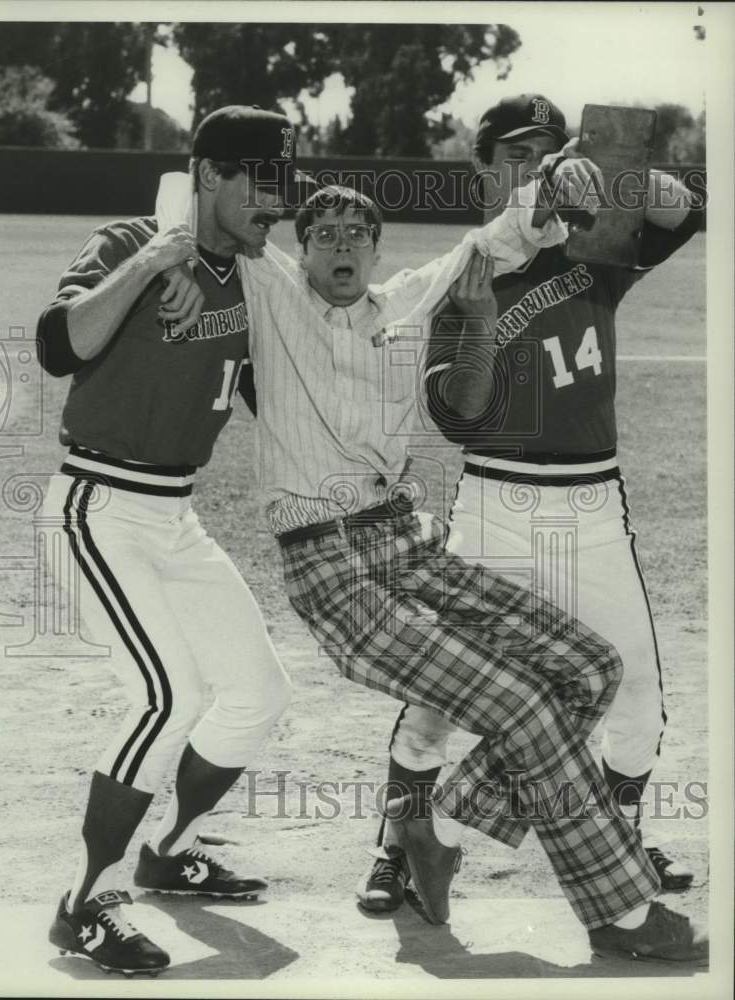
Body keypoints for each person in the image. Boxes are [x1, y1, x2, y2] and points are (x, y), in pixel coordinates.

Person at [153, 162, 706, 961]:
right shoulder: (267, 292)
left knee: (589, 667)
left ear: (377, 250)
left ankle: (432, 827)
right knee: (522, 705)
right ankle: (621, 914)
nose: (341, 247)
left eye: (356, 235)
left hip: (403, 542)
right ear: (299, 250)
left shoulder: (410, 299)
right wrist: (171, 256)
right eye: (324, 236)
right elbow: (185, 197)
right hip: (330, 569)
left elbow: (494, 239)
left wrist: (550, 187)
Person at [361, 94, 703, 915]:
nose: (535, 167)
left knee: (638, 697)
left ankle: (614, 844)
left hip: (592, 506)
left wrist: (625, 177)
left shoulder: (598, 246)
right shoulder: (462, 272)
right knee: (440, 695)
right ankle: (397, 848)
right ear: (484, 167)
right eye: (517, 153)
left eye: (547, 152)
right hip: (494, 508)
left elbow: (687, 212)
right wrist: (478, 323)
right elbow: (457, 414)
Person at [35, 105, 301, 977]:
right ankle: (86, 904)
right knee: (165, 696)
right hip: (98, 506)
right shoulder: (132, 241)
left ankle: (169, 851)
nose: (278, 201)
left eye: (284, 182)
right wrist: (153, 262)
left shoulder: (258, 279)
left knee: (257, 690)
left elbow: (281, 405)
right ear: (211, 177)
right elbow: (59, 344)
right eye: (262, 181)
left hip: (175, 518)